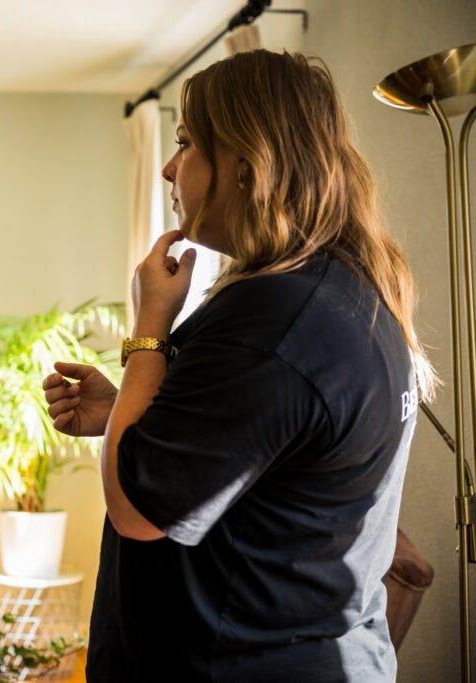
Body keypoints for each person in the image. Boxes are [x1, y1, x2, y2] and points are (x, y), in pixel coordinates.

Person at [43, 50, 433, 682]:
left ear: (250, 164)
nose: (170, 167)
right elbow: (254, 448)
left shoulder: (272, 316)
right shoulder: (344, 289)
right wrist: (126, 409)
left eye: (187, 143)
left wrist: (147, 329)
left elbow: (138, 511)